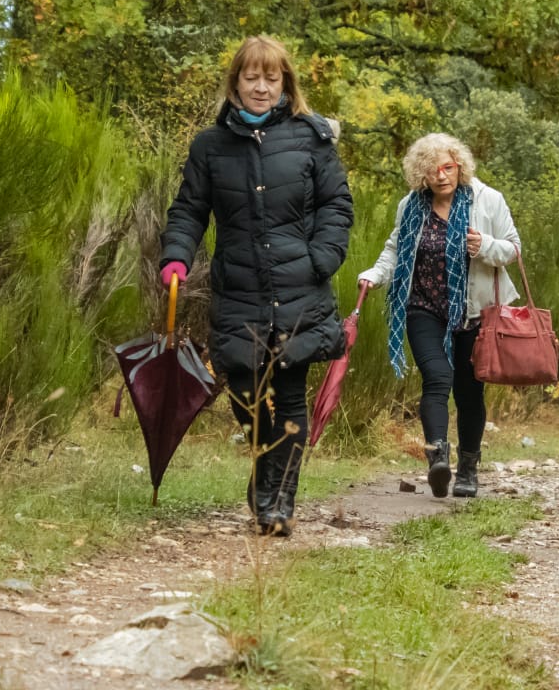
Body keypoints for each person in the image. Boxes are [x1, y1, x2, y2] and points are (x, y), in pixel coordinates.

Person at [159, 35, 353, 536]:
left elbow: (336, 204)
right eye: (252, 78)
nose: (261, 88)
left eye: (271, 78)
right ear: (236, 83)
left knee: (288, 392)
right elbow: (189, 209)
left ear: (285, 83)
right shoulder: (210, 146)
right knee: (245, 390)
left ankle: (278, 500)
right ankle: (265, 469)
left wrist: (323, 257)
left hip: (299, 286)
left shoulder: (311, 138)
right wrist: (176, 256)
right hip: (239, 287)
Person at [357, 134, 521, 499]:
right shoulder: (410, 205)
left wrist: (486, 246)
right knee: (436, 378)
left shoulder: (487, 200)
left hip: (473, 312)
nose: (442, 175)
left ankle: (468, 469)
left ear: (460, 167)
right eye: (433, 170)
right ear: (422, 174)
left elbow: (514, 248)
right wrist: (375, 275)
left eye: (448, 167)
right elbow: (394, 250)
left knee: (468, 391)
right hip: (423, 307)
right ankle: (438, 459)